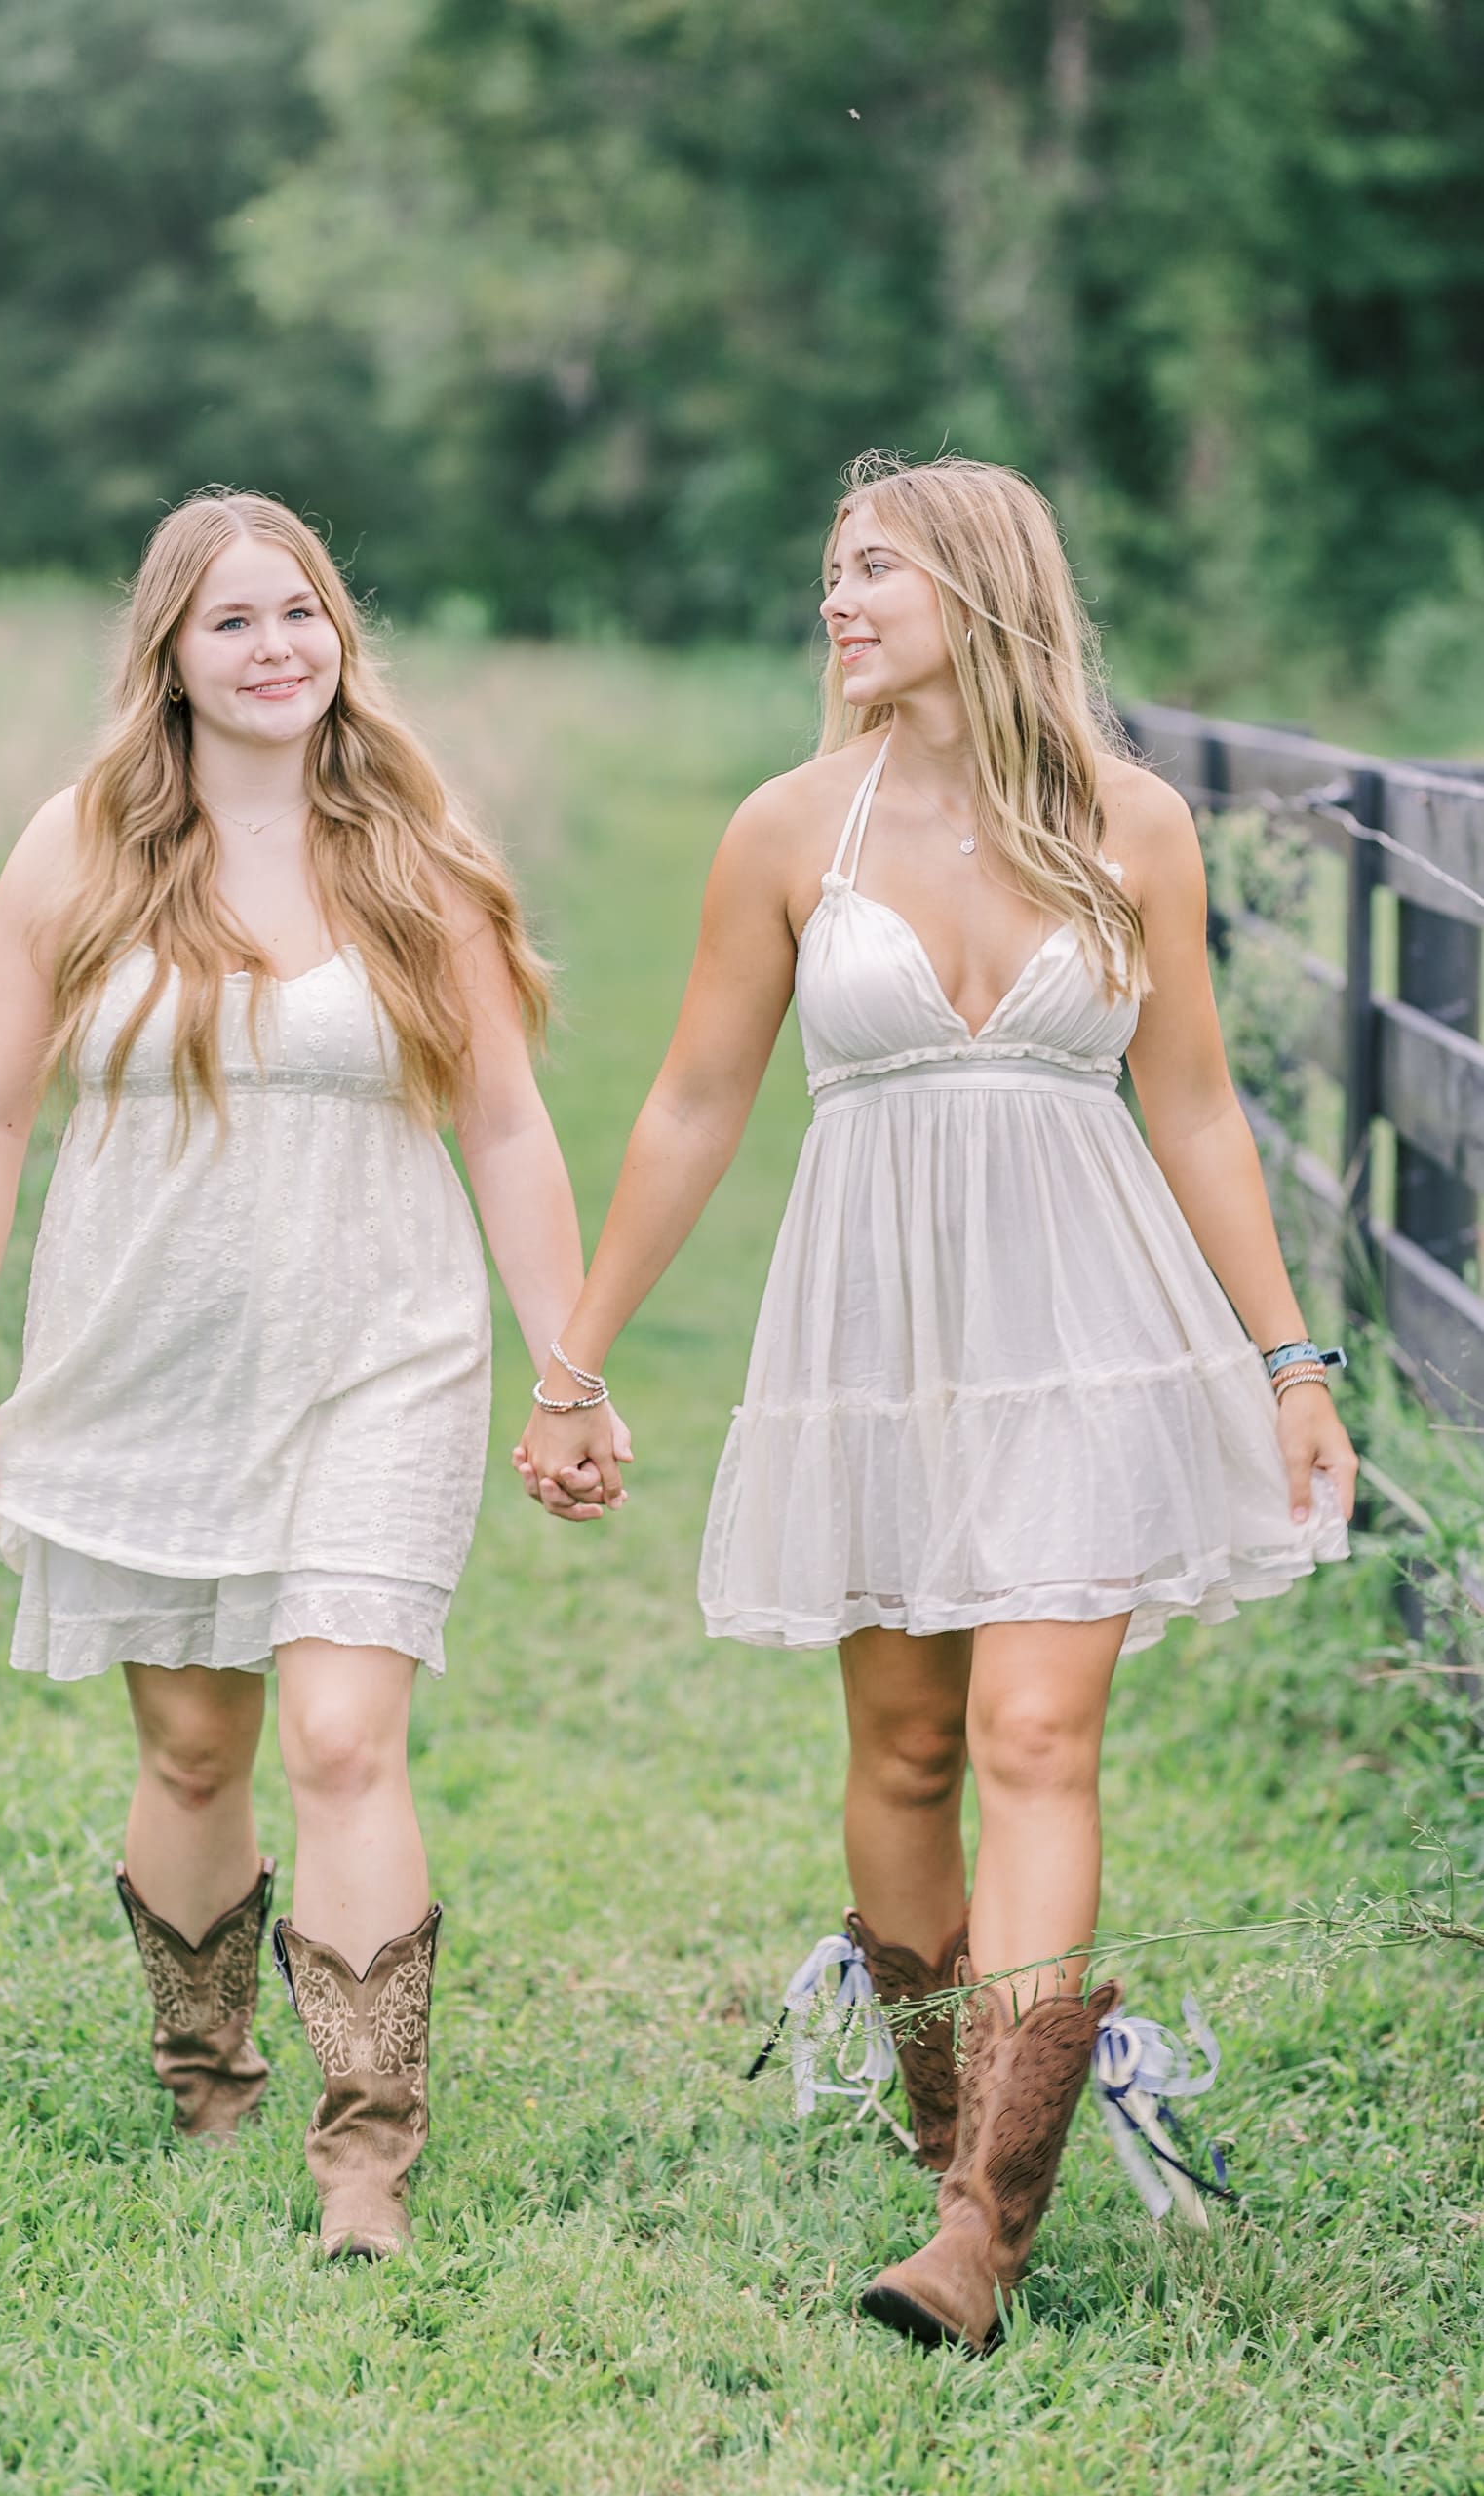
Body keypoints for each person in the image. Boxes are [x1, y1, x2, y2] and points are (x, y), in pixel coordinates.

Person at [515, 452, 1355, 2352]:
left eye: (873, 567)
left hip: (1083, 1330)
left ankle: (985, 2221)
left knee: (1034, 1731)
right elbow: (692, 1104)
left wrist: (1286, 1361)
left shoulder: (1126, 821)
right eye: (829, 569)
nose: (838, 600)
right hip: (872, 1342)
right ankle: (941, 2113)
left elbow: (1194, 1104)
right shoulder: (785, 830)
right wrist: (572, 1360)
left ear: (979, 587)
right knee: (904, 1748)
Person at [0, 488, 618, 2261]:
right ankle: (208, 2068)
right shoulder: (75, 851)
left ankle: (365, 2148)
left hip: (384, 1350)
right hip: (141, 1359)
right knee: (191, 1732)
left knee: (340, 1730)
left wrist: (570, 1362)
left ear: (339, 635)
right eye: (232, 620)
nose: (275, 646)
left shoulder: (411, 851)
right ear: (169, 651)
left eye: (299, 611)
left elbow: (510, 1128)